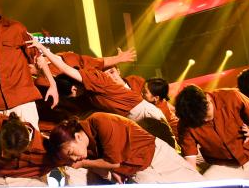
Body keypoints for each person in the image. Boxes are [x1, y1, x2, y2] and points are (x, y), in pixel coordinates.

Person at [29, 38, 168, 126]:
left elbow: (65, 67)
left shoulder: (94, 79)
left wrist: (42, 48)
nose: (74, 97)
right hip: (133, 118)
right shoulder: (91, 92)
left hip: (144, 114)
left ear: (74, 89)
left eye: (73, 95)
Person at [173, 85, 249, 180]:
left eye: (205, 115)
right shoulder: (186, 122)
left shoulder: (231, 96)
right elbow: (190, 160)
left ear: (207, 99)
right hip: (223, 167)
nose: (204, 120)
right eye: (199, 120)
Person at [45, 113, 202, 184]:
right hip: (138, 171)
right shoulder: (86, 149)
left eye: (71, 152)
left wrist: (83, 163)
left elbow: (113, 162)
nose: (74, 159)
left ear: (77, 137)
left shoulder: (99, 121)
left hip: (157, 157)